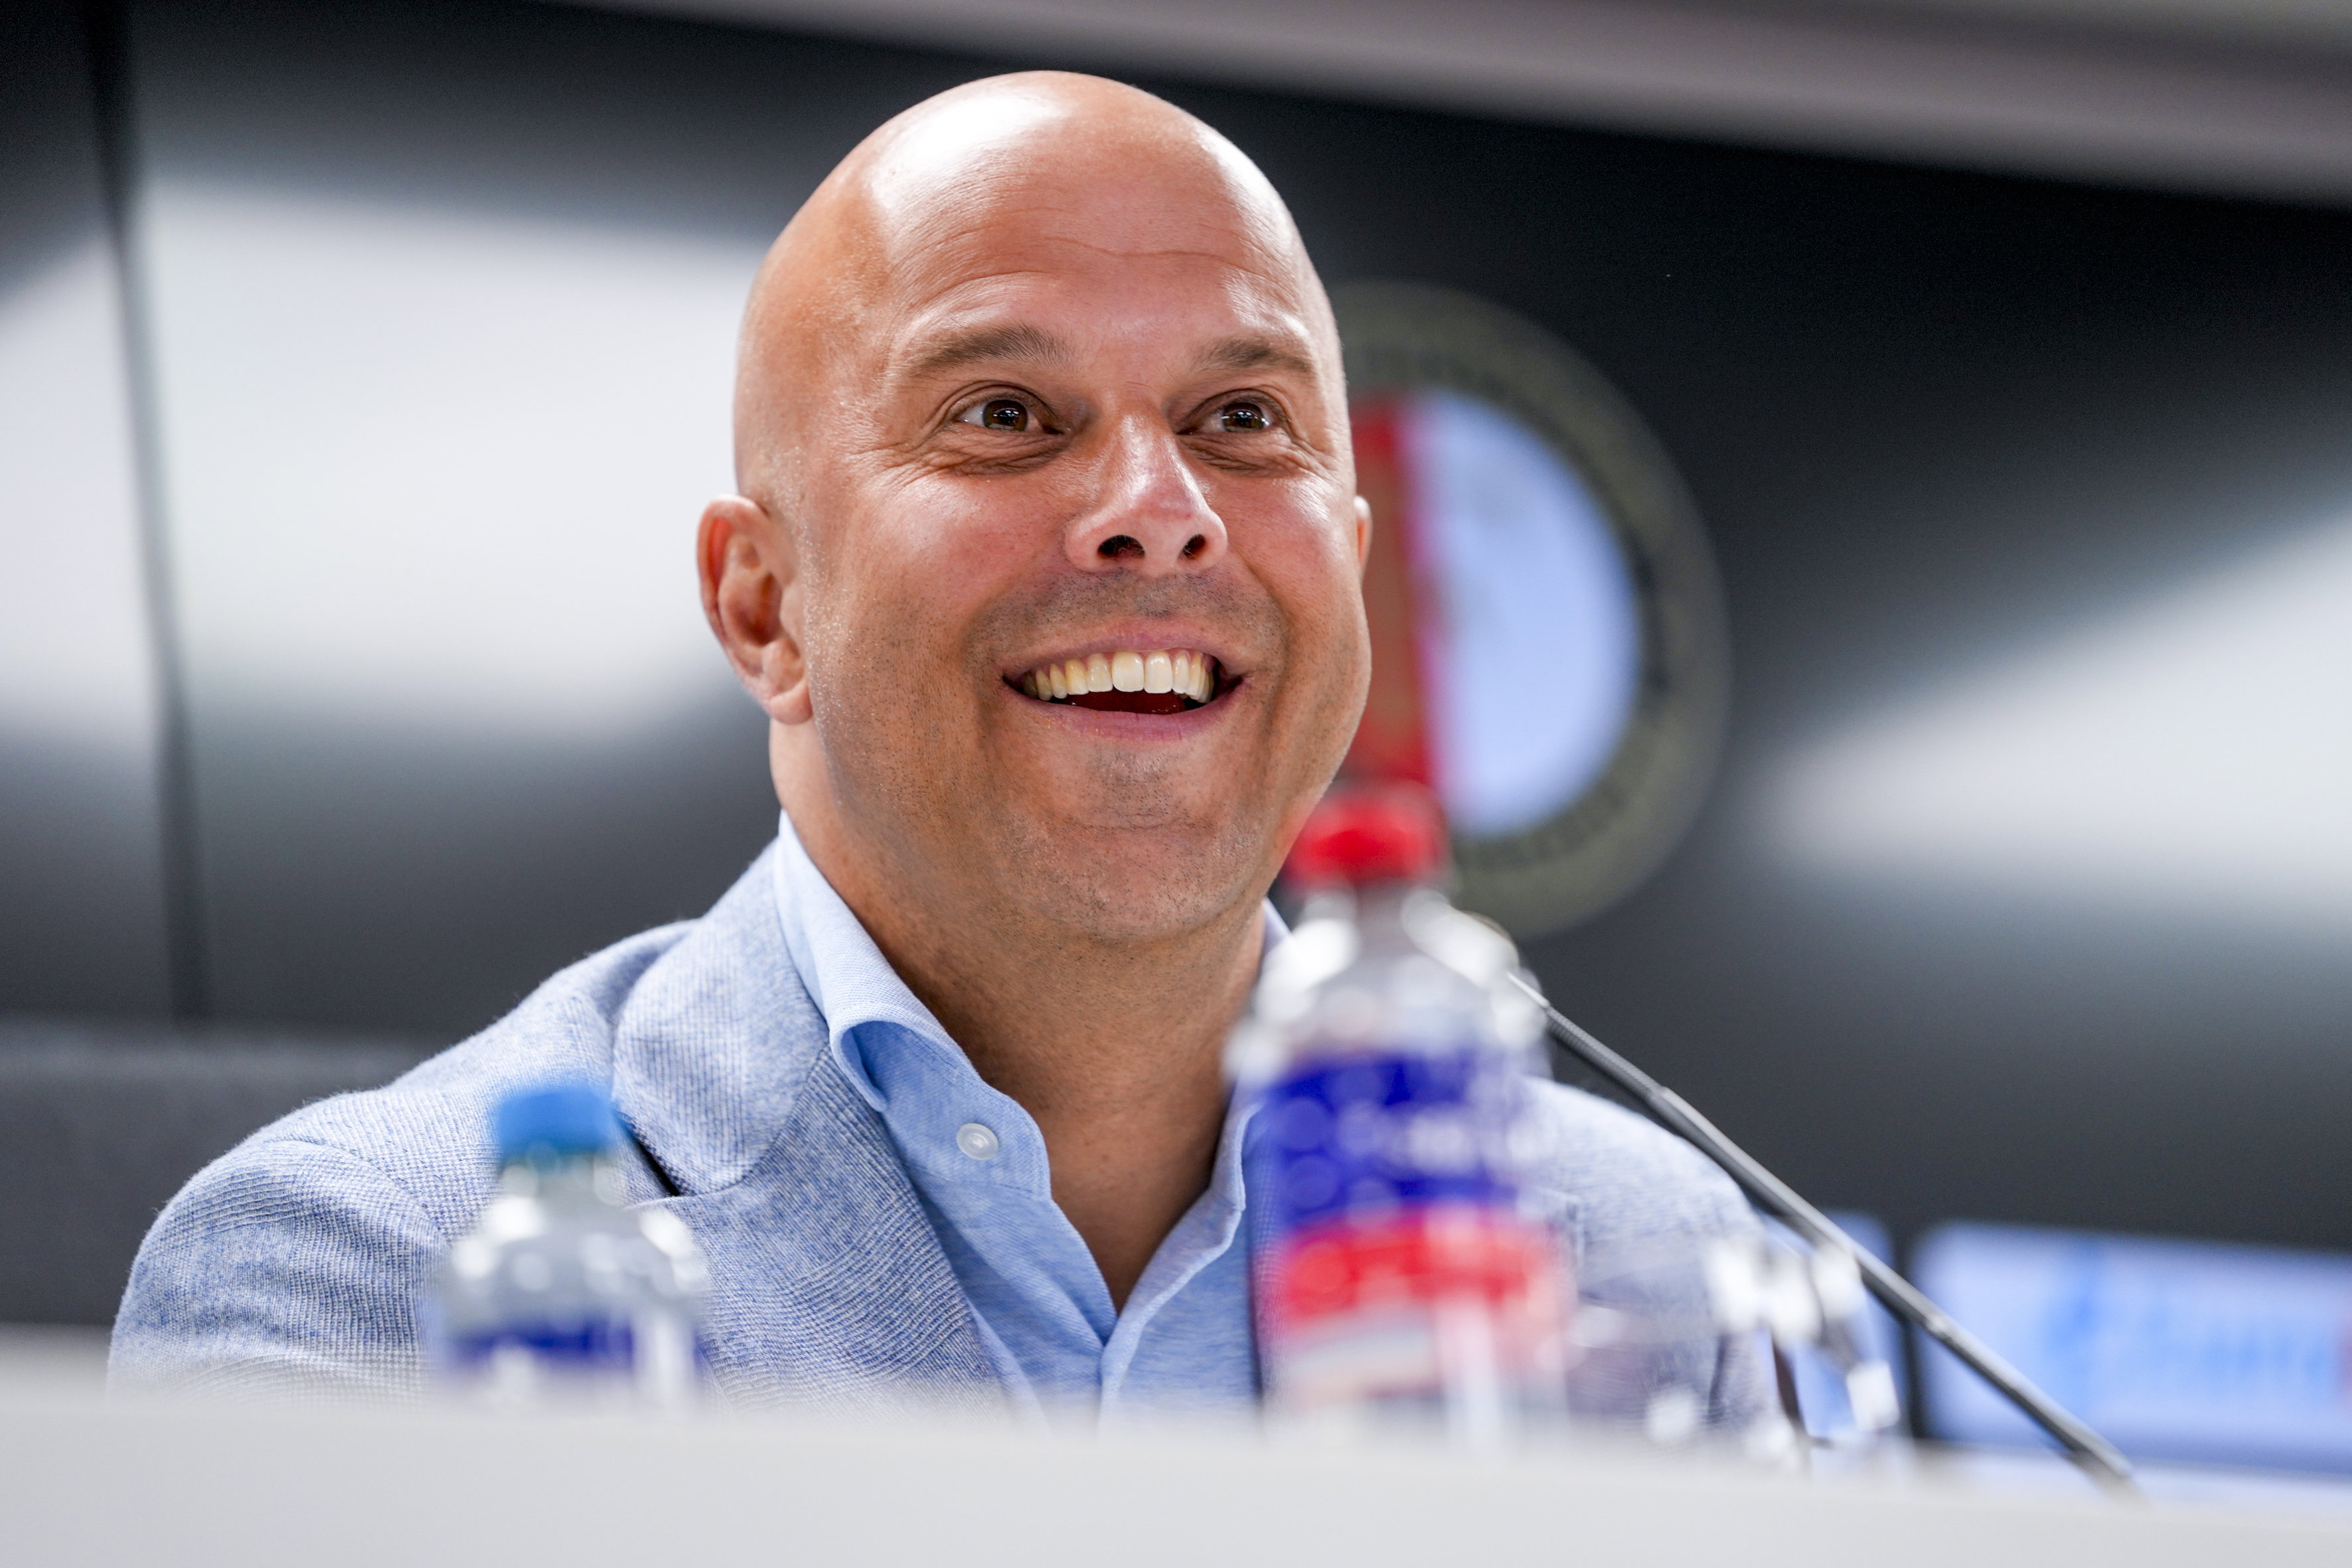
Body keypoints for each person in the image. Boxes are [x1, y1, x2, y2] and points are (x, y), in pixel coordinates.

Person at [112, 72, 1766, 1425]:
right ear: (765, 605)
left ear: (1346, 553)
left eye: (1239, 420)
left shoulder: (1651, 1259)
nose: (1156, 514)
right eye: (1001, 415)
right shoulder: (365, 1275)